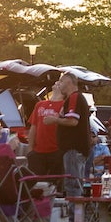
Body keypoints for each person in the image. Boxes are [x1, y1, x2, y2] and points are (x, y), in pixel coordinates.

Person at [48, 71, 91, 199]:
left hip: (73, 148)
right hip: (74, 149)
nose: (58, 84)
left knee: (72, 184)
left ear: (68, 82)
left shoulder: (74, 97)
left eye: (60, 81)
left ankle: (74, 217)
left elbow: (73, 121)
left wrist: (55, 120)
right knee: (75, 183)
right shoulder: (73, 98)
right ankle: (76, 214)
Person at [25, 88, 64, 176]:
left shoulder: (64, 105)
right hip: (38, 152)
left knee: (54, 181)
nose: (57, 83)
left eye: (60, 82)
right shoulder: (40, 104)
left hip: (56, 151)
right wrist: (30, 150)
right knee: (36, 181)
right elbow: (33, 127)